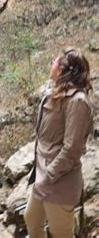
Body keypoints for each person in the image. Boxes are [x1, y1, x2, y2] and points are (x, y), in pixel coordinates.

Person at [24, 48, 93, 238]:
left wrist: (49, 174)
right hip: (43, 174)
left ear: (62, 70)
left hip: (59, 180)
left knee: (61, 232)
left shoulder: (77, 102)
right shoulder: (55, 93)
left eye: (55, 62)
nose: (51, 64)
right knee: (31, 219)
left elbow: (72, 149)